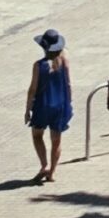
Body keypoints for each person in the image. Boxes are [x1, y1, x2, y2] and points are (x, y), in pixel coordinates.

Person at [25, 29, 73, 184]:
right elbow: (69, 84)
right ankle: (52, 172)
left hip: (43, 104)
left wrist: (27, 110)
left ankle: (44, 165)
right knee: (56, 140)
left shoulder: (39, 66)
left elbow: (33, 89)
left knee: (37, 135)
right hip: (60, 105)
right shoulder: (64, 61)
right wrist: (68, 104)